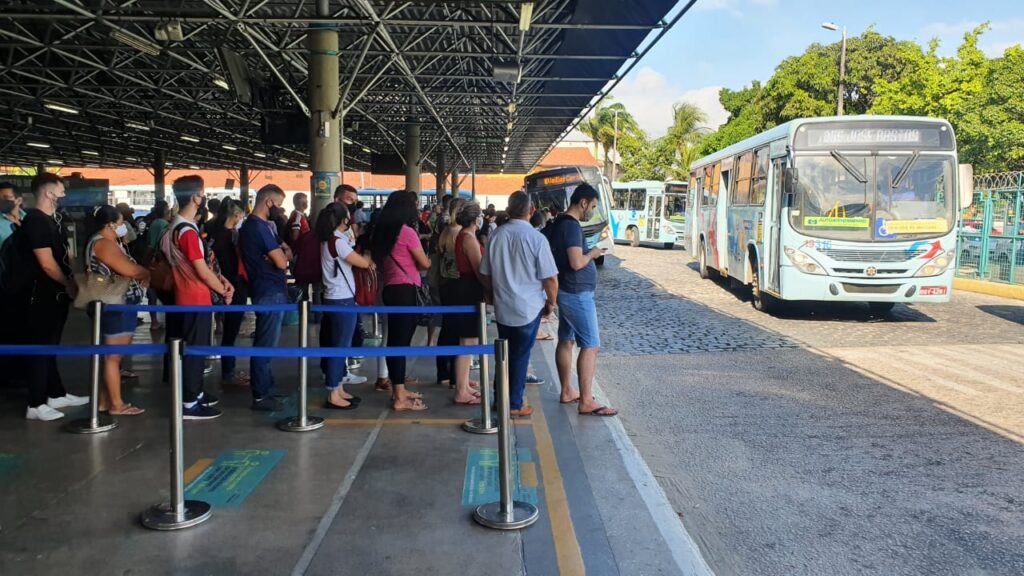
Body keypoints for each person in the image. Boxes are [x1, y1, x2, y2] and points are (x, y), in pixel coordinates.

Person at [9, 174, 88, 421]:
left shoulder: (52, 220)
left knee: (51, 345)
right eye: (61, 191)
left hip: (54, 295)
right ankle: (36, 402)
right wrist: (68, 284)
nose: (64, 195)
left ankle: (55, 393)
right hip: (39, 296)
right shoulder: (35, 221)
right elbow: (46, 263)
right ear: (48, 193)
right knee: (40, 346)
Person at [479, 191, 558, 417]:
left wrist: (493, 292)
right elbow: (550, 278)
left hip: (504, 307)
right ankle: (514, 404)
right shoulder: (537, 239)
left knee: (503, 354)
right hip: (529, 308)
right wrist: (551, 303)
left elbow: (484, 273)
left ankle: (499, 398)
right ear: (531, 211)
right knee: (520, 356)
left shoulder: (497, 236)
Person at [163, 175, 234, 420]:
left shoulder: (176, 225)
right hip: (193, 297)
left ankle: (195, 393)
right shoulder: (187, 231)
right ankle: (189, 402)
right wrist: (223, 290)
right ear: (196, 197)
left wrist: (221, 281)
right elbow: (201, 270)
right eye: (202, 193)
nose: (204, 198)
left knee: (192, 350)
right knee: (194, 352)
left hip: (187, 296)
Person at [547, 183, 617, 417]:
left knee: (566, 340)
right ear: (583, 203)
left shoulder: (560, 223)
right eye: (593, 206)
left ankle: (567, 390)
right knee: (591, 345)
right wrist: (595, 251)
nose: (592, 212)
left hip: (567, 290)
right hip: (576, 293)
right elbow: (577, 262)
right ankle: (586, 400)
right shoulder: (572, 227)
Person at [86, 205, 149, 415]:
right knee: (113, 357)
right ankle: (116, 404)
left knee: (114, 356)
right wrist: (145, 272)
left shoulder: (109, 242)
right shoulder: (103, 243)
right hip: (115, 304)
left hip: (119, 303)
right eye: (121, 223)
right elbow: (128, 269)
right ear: (111, 224)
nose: (124, 228)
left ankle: (105, 401)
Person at [371, 190, 430, 412]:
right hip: (406, 291)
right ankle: (399, 396)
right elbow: (424, 264)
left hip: (389, 289)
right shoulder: (407, 233)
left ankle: (400, 389)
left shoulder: (381, 232)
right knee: (400, 343)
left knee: (395, 342)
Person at [239, 184, 292, 412]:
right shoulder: (256, 228)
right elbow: (282, 261)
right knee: (264, 343)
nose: (280, 211)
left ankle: (266, 387)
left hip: (272, 289)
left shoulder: (264, 227)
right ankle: (260, 394)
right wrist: (281, 257)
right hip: (267, 290)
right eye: (278, 205)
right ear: (268, 202)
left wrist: (281, 255)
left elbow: (286, 252)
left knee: (269, 344)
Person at [317, 203, 374, 409]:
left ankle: (339, 387)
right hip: (342, 299)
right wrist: (367, 253)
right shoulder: (337, 241)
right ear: (344, 220)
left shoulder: (330, 239)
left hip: (334, 297)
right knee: (339, 347)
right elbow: (362, 262)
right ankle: (333, 391)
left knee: (339, 344)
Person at [440, 200, 486, 405]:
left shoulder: (463, 235)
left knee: (468, 341)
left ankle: (464, 384)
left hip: (463, 288)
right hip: (469, 290)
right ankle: (460, 390)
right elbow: (478, 269)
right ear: (476, 219)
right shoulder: (468, 238)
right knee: (467, 341)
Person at [209, 199, 250, 386]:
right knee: (230, 332)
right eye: (241, 215)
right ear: (236, 215)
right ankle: (229, 373)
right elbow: (230, 266)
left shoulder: (215, 233)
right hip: (233, 288)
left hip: (224, 286)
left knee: (229, 331)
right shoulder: (228, 238)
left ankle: (229, 370)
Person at [144, 200, 172, 330]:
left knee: (152, 295)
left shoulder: (154, 223)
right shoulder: (164, 224)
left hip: (153, 262)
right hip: (161, 263)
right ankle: (161, 320)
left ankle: (154, 320)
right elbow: (154, 246)